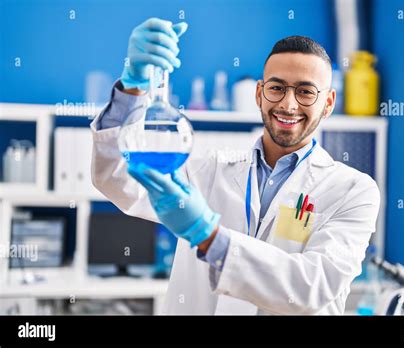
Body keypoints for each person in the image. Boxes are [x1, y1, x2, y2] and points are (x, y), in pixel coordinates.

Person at [90, 18, 380, 315]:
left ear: (329, 103)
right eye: (277, 88)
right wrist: (133, 88)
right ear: (259, 93)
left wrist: (208, 235)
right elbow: (116, 179)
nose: (288, 104)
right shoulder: (208, 169)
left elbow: (312, 286)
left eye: (306, 92)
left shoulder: (354, 191)